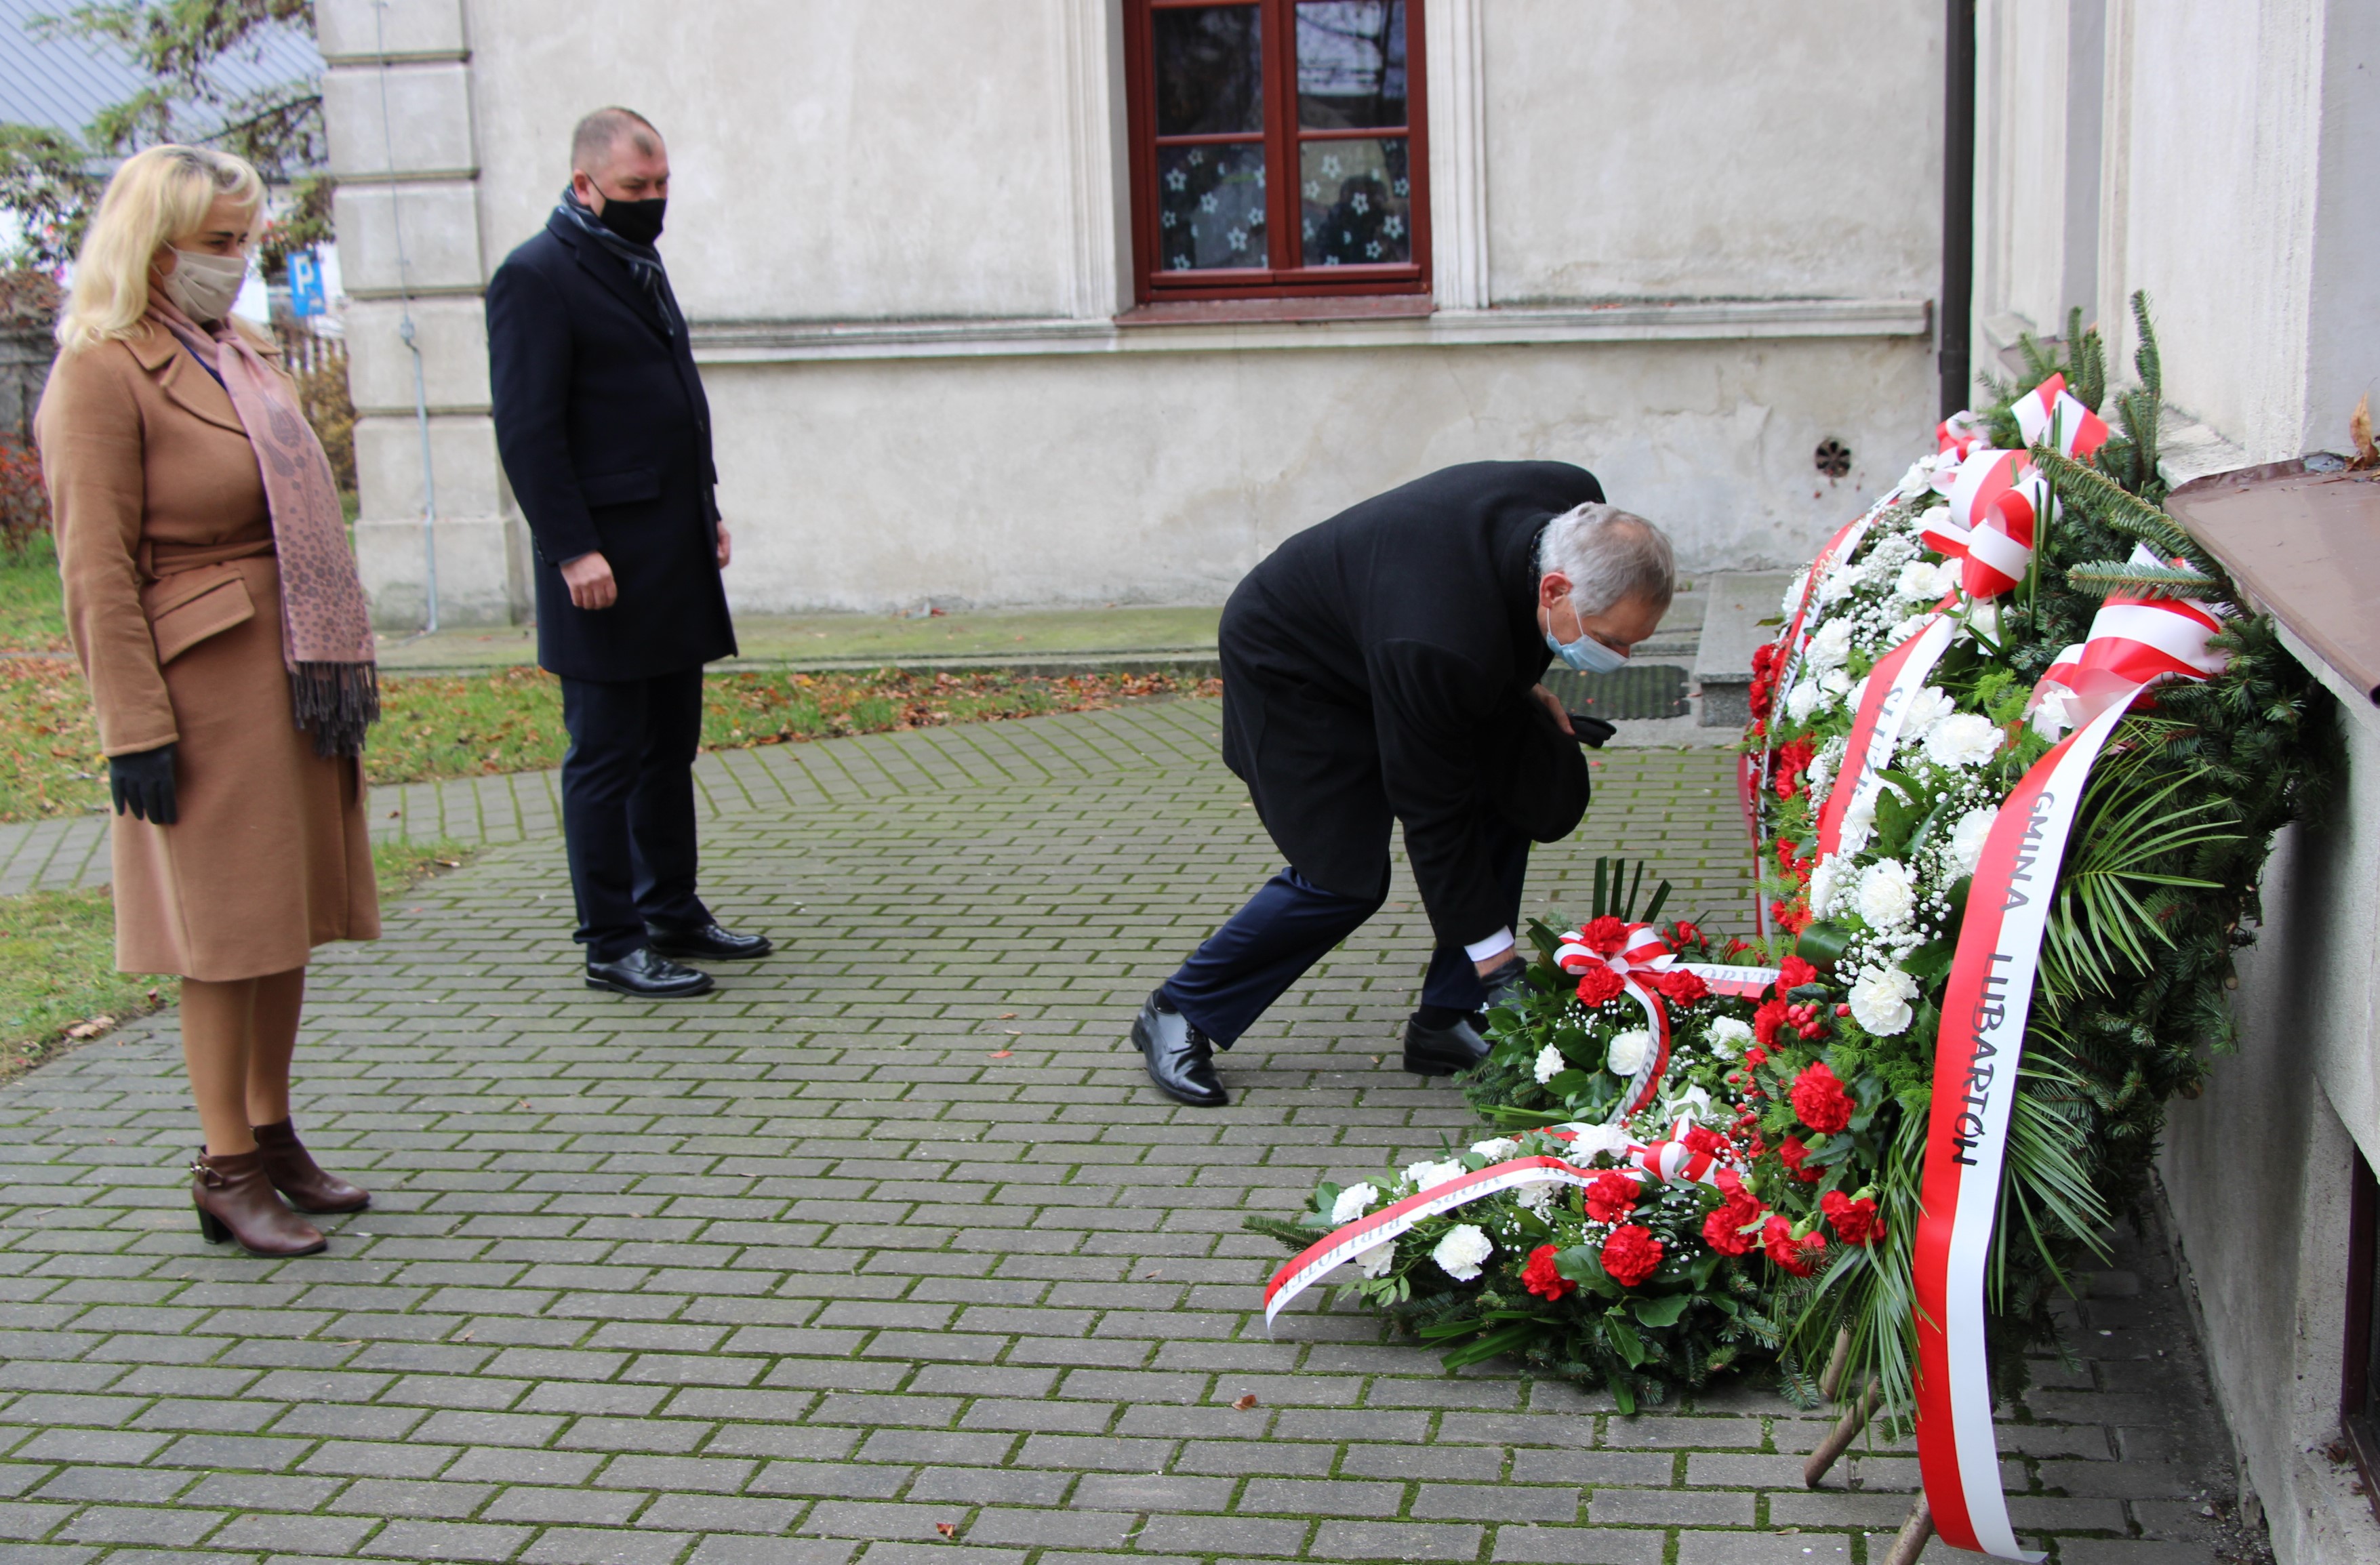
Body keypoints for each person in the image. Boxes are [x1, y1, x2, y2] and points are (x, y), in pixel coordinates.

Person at [37, 145, 382, 1255]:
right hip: (201, 686)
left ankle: (274, 1132)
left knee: (283, 920)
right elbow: (94, 569)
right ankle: (223, 1162)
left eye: (247, 242)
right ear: (155, 241)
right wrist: (132, 726)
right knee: (222, 937)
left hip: (288, 669)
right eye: (218, 243)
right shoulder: (100, 369)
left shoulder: (237, 349)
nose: (236, 265)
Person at [1131, 463, 1676, 1106]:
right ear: (1554, 588)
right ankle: (1180, 1006)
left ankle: (1449, 1018)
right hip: (1296, 664)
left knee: (1501, 798)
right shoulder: (1438, 640)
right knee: (1342, 874)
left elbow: (1482, 615)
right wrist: (1499, 965)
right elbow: (1431, 810)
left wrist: (1519, 680)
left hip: (1399, 632)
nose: (1619, 659)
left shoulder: (1567, 498)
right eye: (1611, 641)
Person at [487, 106, 769, 998]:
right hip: (600, 563)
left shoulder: (634, 260)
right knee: (605, 754)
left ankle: (671, 908)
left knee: (668, 745)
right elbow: (530, 432)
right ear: (583, 185)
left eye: (660, 187)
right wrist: (572, 550)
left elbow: (671, 396)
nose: (651, 203)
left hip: (669, 547)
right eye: (632, 190)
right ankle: (611, 940)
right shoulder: (535, 276)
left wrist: (706, 505)